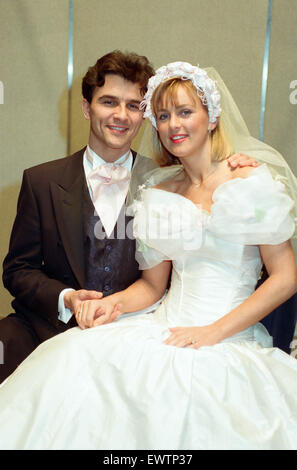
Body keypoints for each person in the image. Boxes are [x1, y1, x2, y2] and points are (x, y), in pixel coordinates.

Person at [0, 61, 297, 450]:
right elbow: (153, 284)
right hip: (163, 326)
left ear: (212, 117)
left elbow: (286, 277)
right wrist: (114, 305)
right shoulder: (160, 192)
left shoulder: (251, 182)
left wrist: (212, 333)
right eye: (162, 115)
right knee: (77, 378)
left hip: (228, 339)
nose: (174, 124)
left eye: (186, 111)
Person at [0, 51, 256, 383]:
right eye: (109, 102)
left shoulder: (170, 182)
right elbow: (18, 270)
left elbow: (212, 189)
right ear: (86, 107)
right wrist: (67, 299)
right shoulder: (41, 181)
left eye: (133, 106)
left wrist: (237, 168)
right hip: (46, 326)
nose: (121, 115)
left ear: (144, 115)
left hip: (134, 326)